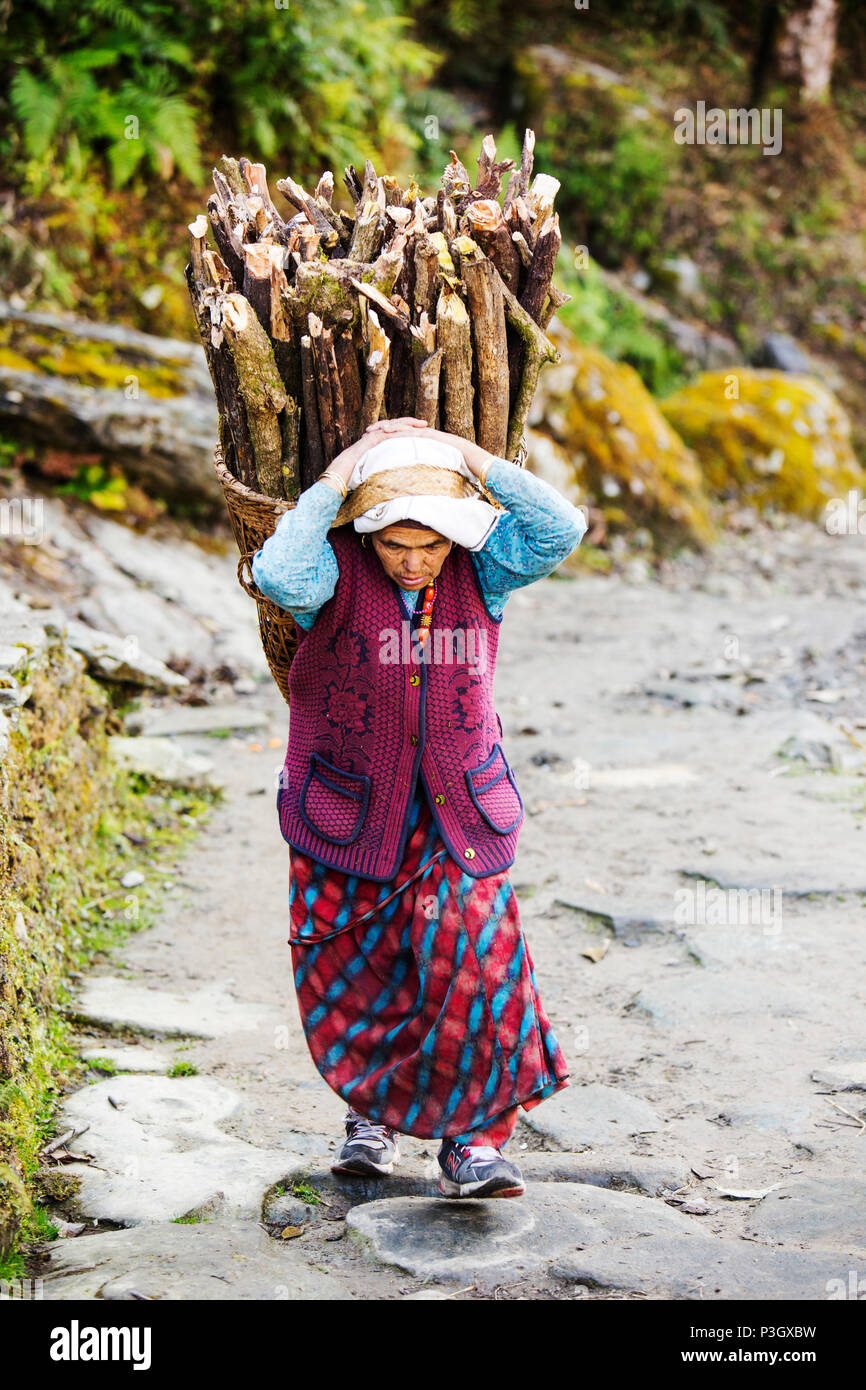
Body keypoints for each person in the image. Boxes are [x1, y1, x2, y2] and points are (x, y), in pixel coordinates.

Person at [251, 416, 587, 1199]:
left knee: (475, 964)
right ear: (366, 536)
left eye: (429, 545)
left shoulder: (485, 573)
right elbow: (276, 572)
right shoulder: (330, 576)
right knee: (363, 969)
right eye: (395, 544)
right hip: (350, 814)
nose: (413, 561)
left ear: (455, 539)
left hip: (457, 814)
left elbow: (561, 527)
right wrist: (341, 476)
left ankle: (473, 1143)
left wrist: (471, 460)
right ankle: (372, 1118)